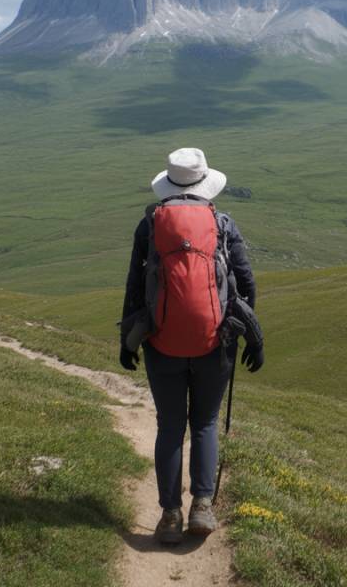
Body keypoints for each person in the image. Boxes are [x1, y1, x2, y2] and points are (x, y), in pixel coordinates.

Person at [120, 147, 262, 545]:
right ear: (205, 183)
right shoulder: (222, 223)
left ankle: (169, 516)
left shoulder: (149, 225)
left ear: (168, 185)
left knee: (170, 425)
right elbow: (246, 284)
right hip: (214, 341)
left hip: (162, 340)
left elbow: (135, 287)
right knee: (204, 423)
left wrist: (127, 341)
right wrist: (250, 335)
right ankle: (202, 505)